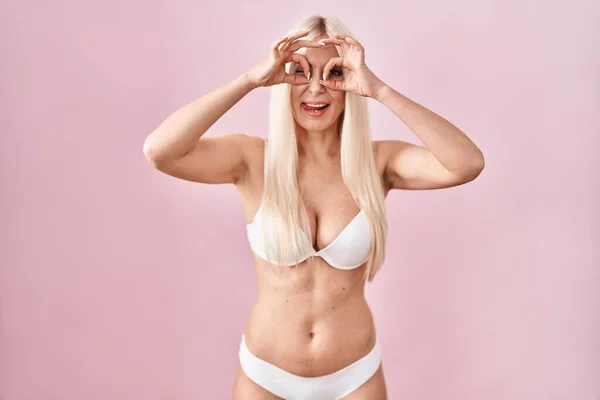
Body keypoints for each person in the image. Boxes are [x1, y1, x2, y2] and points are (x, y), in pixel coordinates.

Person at [143, 13, 484, 400]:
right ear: (280, 79)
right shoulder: (252, 160)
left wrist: (379, 90)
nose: (316, 89)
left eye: (334, 73)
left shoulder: (378, 164)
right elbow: (160, 151)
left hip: (355, 375)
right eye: (301, 73)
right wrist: (250, 81)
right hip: (264, 375)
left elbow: (466, 164)